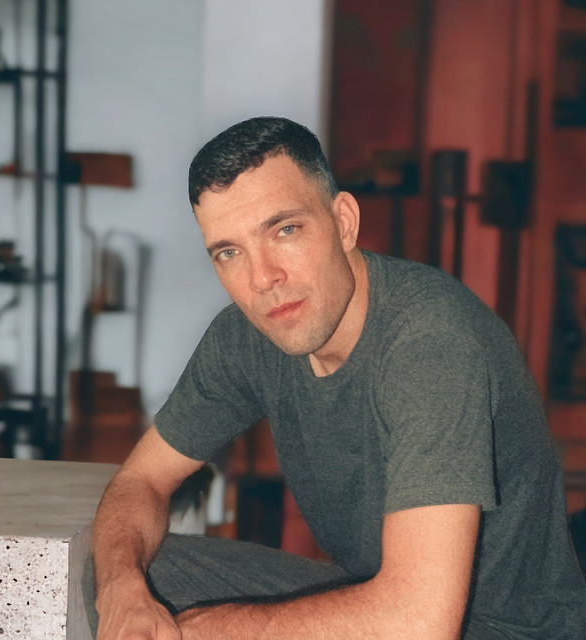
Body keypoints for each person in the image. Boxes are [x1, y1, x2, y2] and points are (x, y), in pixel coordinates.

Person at [85, 116, 586, 639]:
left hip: (498, 630)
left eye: (284, 230)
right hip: (385, 599)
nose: (263, 278)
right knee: (133, 576)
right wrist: (121, 592)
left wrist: (217, 630)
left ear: (344, 222)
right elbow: (140, 481)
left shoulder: (432, 342)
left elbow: (420, 623)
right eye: (229, 252)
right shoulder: (247, 336)